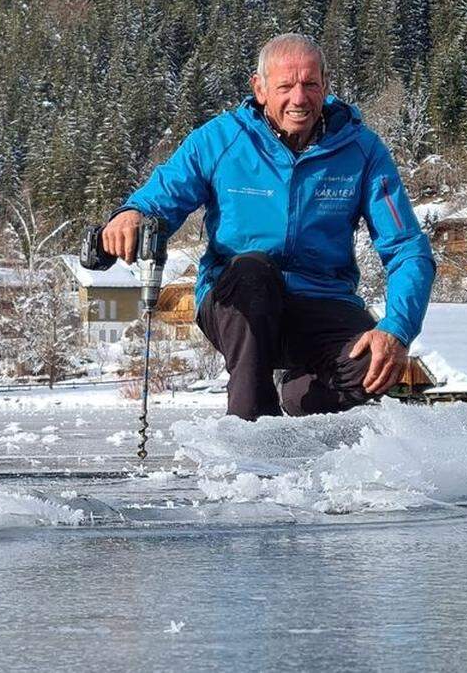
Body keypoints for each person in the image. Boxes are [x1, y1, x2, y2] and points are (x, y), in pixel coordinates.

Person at [101, 33, 435, 420]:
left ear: (325, 85)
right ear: (259, 89)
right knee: (253, 270)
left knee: (371, 364)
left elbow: (407, 248)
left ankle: (307, 400)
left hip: (323, 301)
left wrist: (397, 329)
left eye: (311, 84)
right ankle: (250, 428)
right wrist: (131, 215)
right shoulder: (221, 140)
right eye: (285, 86)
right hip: (239, 302)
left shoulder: (362, 150)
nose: (299, 98)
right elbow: (161, 197)